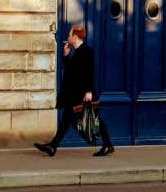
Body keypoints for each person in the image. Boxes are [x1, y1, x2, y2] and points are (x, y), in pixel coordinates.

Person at [36, 23, 114, 157]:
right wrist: (66, 55)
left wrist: (88, 91)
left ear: (75, 36)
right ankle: (52, 146)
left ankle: (108, 145)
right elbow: (71, 71)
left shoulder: (86, 51)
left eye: (70, 34)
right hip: (74, 94)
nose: (68, 36)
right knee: (66, 119)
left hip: (83, 94)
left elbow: (89, 72)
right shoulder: (77, 52)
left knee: (95, 119)